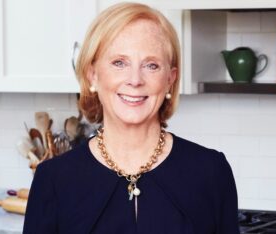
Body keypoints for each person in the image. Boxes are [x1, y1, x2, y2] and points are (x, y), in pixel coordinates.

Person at [23, 2, 239, 234]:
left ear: (170, 79)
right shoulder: (54, 180)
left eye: (151, 65)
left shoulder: (211, 172)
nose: (135, 79)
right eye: (119, 63)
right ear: (93, 75)